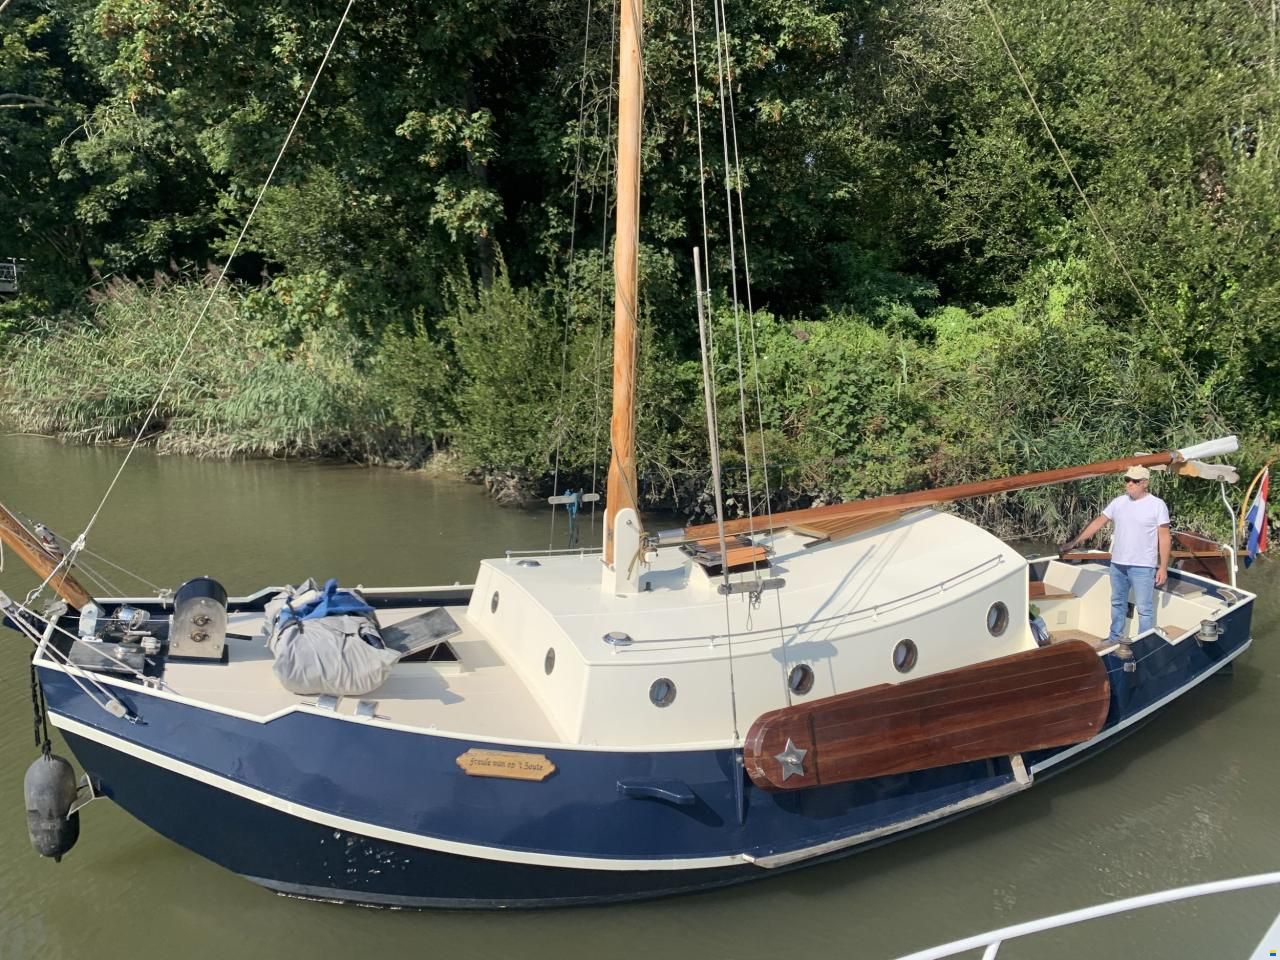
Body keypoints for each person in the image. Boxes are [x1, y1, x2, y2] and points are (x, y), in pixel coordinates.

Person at [1059, 465, 1171, 644]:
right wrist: (1074, 542)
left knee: (1144, 609)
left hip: (1143, 566)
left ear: (1145, 483)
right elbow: (1098, 523)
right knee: (1117, 603)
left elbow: (1164, 538)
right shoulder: (1118, 502)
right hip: (1118, 564)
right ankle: (1114, 638)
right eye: (1127, 480)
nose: (1129, 484)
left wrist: (1163, 567)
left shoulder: (1157, 505)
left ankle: (1143, 644)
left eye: (1134, 481)